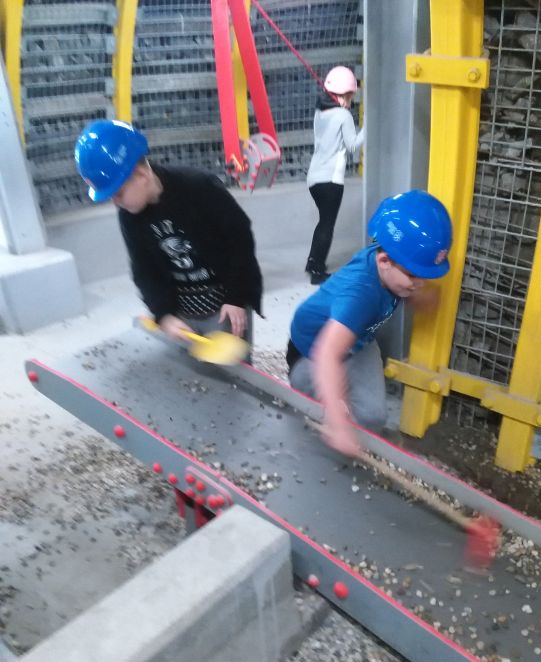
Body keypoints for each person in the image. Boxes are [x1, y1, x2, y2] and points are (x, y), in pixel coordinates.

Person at [287, 190, 452, 457]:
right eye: (414, 276)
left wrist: (418, 292)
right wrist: (339, 424)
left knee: (372, 417)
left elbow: (407, 284)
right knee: (322, 406)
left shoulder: (390, 265)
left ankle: (350, 428)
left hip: (358, 340)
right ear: (384, 261)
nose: (419, 284)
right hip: (313, 347)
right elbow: (327, 353)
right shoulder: (360, 296)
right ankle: (308, 394)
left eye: (424, 277)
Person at [74, 119, 262, 343]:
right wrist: (162, 313)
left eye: (118, 193)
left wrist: (236, 297)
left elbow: (239, 240)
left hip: (225, 304)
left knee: (231, 361)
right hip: (182, 312)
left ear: (142, 176)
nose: (116, 202)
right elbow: (143, 268)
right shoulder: (130, 215)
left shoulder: (199, 187)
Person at [305, 65, 364, 285]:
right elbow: (352, 145)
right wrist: (368, 126)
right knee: (327, 225)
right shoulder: (343, 115)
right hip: (331, 180)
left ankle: (312, 262)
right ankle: (317, 272)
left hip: (314, 179)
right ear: (343, 94)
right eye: (350, 96)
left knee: (323, 223)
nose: (350, 101)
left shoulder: (319, 113)